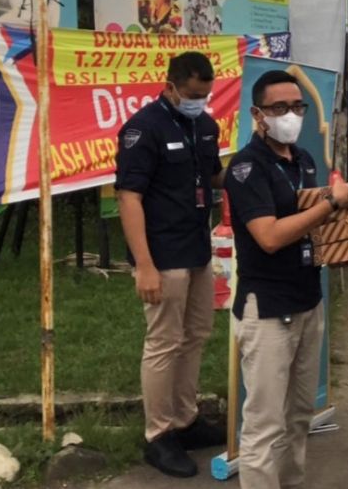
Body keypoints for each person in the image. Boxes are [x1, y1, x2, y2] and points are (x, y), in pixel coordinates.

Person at [224, 70, 348, 489]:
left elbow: (311, 226)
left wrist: (337, 233)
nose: (290, 115)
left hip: (307, 300)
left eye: (296, 107)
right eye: (279, 108)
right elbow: (268, 236)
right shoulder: (246, 168)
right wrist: (329, 203)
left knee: (300, 414)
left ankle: (291, 482)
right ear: (257, 114)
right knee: (264, 423)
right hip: (267, 310)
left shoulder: (303, 160)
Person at [115, 51, 226, 478]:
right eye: (194, 94)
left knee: (196, 334)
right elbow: (129, 197)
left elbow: (213, 176)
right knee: (163, 342)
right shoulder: (144, 129)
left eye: (206, 94)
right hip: (161, 255)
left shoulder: (205, 125)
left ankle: (185, 419)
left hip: (197, 249)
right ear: (172, 86)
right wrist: (143, 264)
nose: (200, 100)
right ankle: (158, 436)